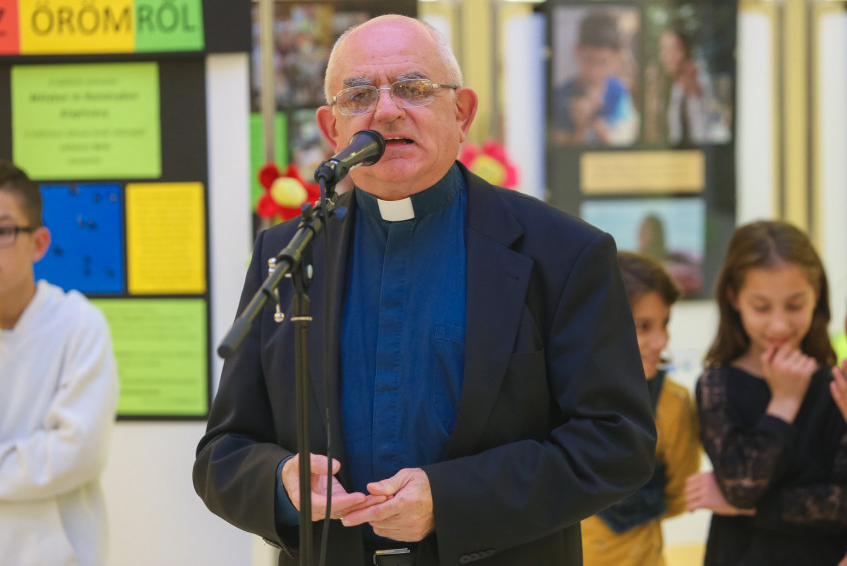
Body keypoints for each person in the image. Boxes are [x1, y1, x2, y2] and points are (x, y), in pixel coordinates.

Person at [193, 14, 656, 566]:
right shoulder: (290, 251)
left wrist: (451, 501)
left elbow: (616, 443)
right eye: (358, 95)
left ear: (462, 113)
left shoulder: (561, 253)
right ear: (331, 128)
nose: (387, 111)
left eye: (413, 88)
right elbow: (223, 453)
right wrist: (280, 482)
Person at [684, 220, 847, 565]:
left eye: (794, 305)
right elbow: (742, 487)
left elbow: (841, 505)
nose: (779, 325)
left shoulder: (836, 384)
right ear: (734, 298)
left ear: (816, 295)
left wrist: (753, 508)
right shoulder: (717, 384)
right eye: (761, 307)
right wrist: (784, 402)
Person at [0, 159, 119, 566]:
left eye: (2, 231)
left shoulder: (78, 324)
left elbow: (77, 453)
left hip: (59, 554)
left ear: (39, 242)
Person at [581, 252, 700, 566]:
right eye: (643, 326)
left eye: (665, 324)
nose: (661, 341)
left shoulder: (673, 403)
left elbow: (680, 495)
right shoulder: (556, 395)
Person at [552, 11, 638, 146]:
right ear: (576, 51)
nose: (595, 71)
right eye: (589, 60)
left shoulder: (621, 92)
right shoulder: (559, 96)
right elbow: (560, 151)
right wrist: (580, 127)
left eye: (603, 62)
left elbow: (628, 143)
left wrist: (605, 136)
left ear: (617, 57)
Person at [658, 26, 730, 145]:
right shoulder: (673, 86)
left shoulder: (696, 76)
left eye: (672, 49)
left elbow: (698, 90)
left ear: (685, 51)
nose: (666, 56)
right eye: (662, 50)